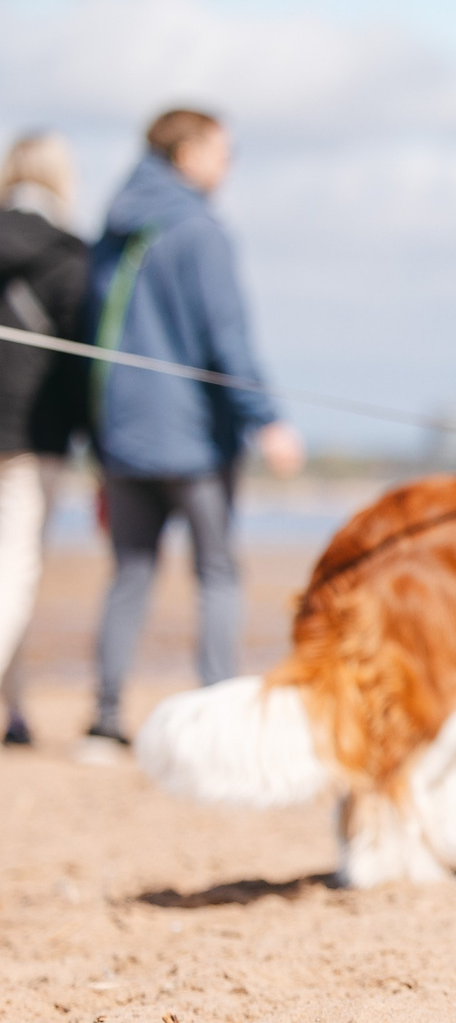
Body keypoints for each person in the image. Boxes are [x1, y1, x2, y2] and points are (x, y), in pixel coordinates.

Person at [83, 108, 304, 752]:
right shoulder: (201, 231)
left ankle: (104, 719)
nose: (228, 166)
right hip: (193, 440)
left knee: (130, 573)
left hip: (121, 434)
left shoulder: (114, 229)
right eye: (222, 152)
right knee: (217, 573)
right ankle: (218, 712)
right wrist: (267, 420)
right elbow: (225, 338)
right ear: (186, 154)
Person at [0, 133, 91, 746]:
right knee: (15, 570)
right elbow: (81, 365)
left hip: (29, 433)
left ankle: (15, 710)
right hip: (32, 437)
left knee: (11, 573)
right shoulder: (68, 251)